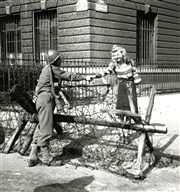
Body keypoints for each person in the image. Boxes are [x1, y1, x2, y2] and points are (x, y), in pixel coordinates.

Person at [28, 50, 93, 167]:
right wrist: (85, 77)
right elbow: (69, 75)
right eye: (59, 59)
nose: (61, 61)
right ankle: (47, 157)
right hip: (46, 99)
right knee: (46, 128)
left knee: (41, 125)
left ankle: (33, 154)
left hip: (42, 99)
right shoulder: (52, 68)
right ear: (54, 60)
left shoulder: (47, 69)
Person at [96, 45, 141, 121]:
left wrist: (137, 86)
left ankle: (131, 122)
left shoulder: (129, 63)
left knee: (131, 105)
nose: (117, 57)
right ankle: (122, 124)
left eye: (118, 55)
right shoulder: (114, 65)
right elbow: (107, 71)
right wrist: (97, 75)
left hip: (131, 87)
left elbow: (135, 74)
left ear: (122, 54)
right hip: (122, 87)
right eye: (115, 56)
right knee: (122, 105)